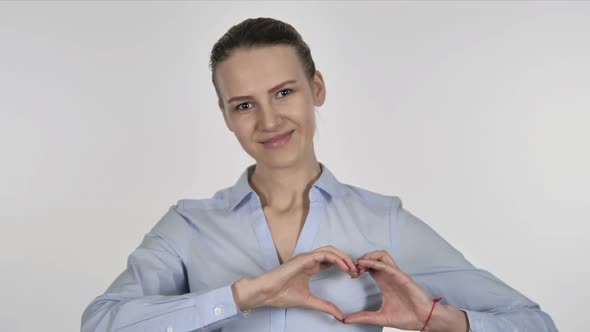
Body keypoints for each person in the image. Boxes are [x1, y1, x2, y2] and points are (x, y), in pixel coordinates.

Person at [81, 17, 558, 332]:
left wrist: (439, 318)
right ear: (227, 116)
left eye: (284, 93)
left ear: (317, 88)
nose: (268, 122)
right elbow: (100, 323)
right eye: (244, 105)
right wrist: (245, 293)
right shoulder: (187, 228)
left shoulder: (381, 221)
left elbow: (533, 323)